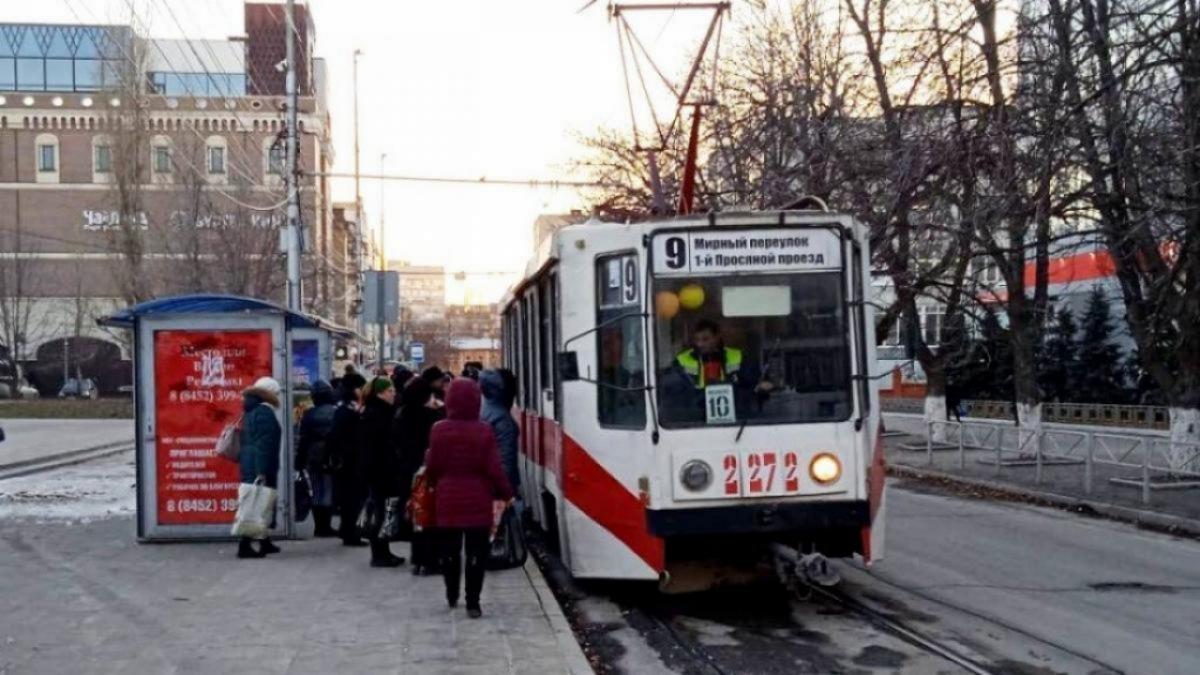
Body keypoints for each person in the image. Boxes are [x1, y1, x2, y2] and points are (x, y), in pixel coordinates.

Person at [425, 379, 513, 618]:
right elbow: (494, 468)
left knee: (450, 552)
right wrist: (506, 493)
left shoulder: (439, 429)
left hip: (447, 500)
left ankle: (451, 593)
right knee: (477, 553)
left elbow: (432, 466)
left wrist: (435, 483)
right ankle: (473, 602)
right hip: (477, 500)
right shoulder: (483, 430)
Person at [393, 377, 445, 575]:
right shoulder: (430, 416)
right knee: (432, 517)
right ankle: (432, 560)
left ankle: (418, 559)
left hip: (407, 473)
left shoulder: (401, 414)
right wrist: (440, 408)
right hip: (427, 472)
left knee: (417, 519)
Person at [360, 377, 406, 568]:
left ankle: (383, 550)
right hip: (382, 471)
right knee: (383, 511)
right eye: (389, 391)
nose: (393, 393)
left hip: (380, 470)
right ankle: (380, 553)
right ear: (379, 393)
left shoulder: (376, 411)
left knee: (385, 510)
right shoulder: (379, 413)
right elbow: (379, 445)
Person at [237, 376, 283, 559]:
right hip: (259, 465)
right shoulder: (264, 412)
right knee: (255, 504)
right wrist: (262, 471)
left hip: (251, 462)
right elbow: (265, 444)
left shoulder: (252, 410)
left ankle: (264, 541)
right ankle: (244, 545)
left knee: (259, 503)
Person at [329, 372, 369, 547]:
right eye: (361, 388)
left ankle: (347, 530)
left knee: (349, 498)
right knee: (353, 498)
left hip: (346, 460)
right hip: (351, 461)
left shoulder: (343, 408)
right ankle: (350, 532)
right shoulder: (350, 411)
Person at [297, 380, 338, 537]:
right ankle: (326, 526)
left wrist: (299, 460)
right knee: (328, 490)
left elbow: (303, 439)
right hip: (332, 456)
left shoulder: (309, 414)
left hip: (314, 456)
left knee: (316, 490)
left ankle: (320, 526)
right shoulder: (336, 412)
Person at [479, 369, 519, 497]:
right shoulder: (502, 419)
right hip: (495, 491)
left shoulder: (483, 409)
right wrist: (506, 492)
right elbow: (506, 462)